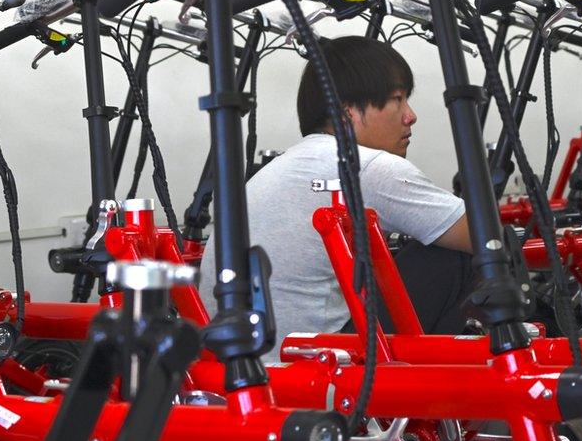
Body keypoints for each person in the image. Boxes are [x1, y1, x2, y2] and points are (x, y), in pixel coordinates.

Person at [199, 35, 474, 359]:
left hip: (240, 366)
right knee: (474, 253)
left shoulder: (285, 165)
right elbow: (483, 236)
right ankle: (448, 392)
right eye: (398, 100)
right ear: (348, 114)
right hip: (316, 367)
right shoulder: (366, 166)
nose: (410, 115)